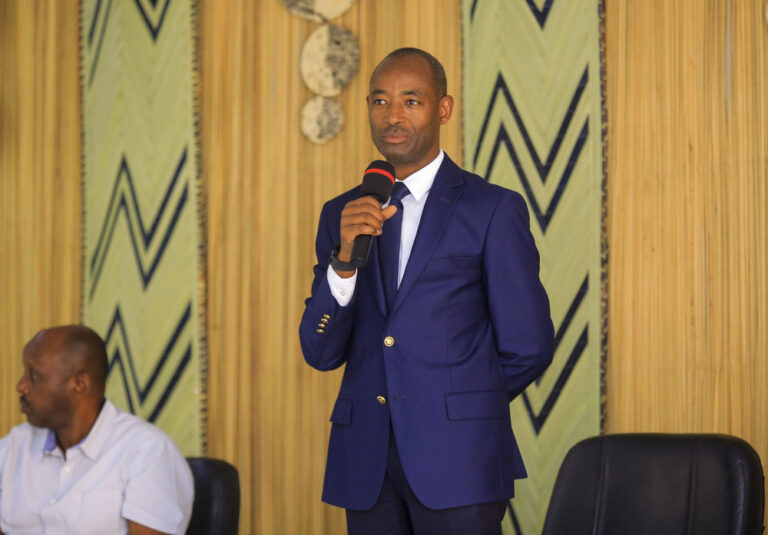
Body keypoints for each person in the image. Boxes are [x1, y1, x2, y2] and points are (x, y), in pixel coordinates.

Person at [299, 48, 555, 534]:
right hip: (366, 462)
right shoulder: (343, 214)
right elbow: (320, 349)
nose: (392, 115)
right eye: (379, 101)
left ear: (444, 109)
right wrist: (343, 263)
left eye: (411, 101)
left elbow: (529, 345)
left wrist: (458, 409)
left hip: (459, 460)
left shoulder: (491, 209)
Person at [0, 325, 194, 535]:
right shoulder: (15, 445)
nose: (21, 386)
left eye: (34, 375)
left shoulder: (147, 452)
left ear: (79, 384)